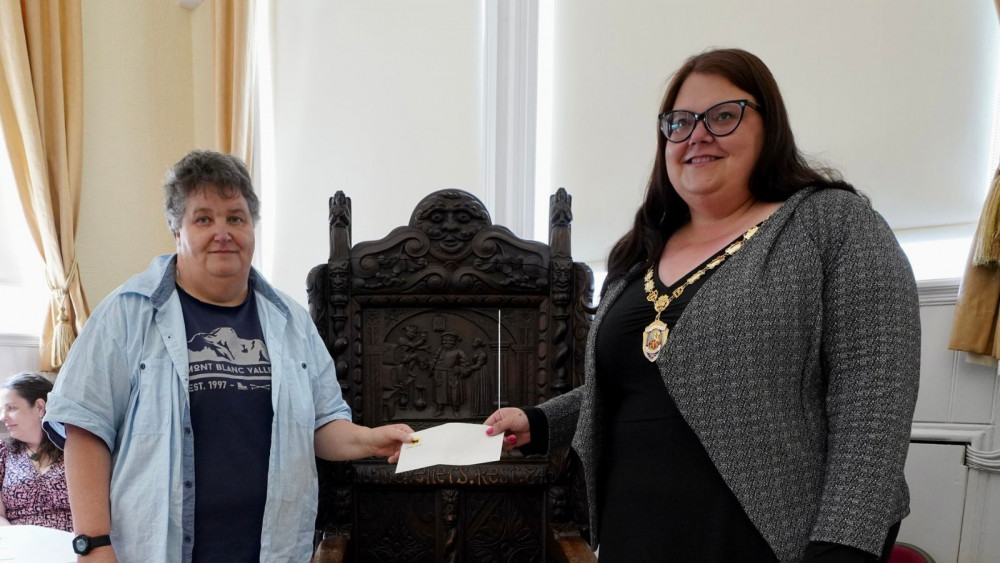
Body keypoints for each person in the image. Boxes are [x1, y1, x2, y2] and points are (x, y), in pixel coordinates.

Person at [485, 48, 919, 563]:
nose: (698, 135)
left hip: (764, 540)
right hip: (635, 534)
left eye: (723, 116)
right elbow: (646, 384)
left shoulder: (833, 224)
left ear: (769, 126)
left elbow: (875, 404)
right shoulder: (642, 249)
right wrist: (538, 421)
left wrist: (844, 546)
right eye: (680, 122)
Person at [43, 150, 414, 563]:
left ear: (251, 228)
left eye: (235, 217)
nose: (223, 232)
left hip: (272, 551)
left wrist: (368, 440)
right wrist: (93, 545)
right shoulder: (128, 312)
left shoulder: (290, 320)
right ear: (177, 232)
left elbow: (322, 422)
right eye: (204, 219)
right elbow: (86, 428)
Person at [0, 372, 71, 531]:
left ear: (39, 407)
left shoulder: (73, 448)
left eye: (11, 408)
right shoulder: (3, 453)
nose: (3, 417)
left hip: (71, 545)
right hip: (19, 546)